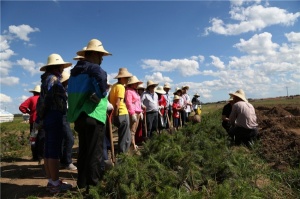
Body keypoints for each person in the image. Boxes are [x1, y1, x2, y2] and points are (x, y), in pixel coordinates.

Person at [67, 39, 111, 192]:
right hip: (94, 115)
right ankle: (93, 188)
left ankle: (82, 183)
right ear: (93, 54)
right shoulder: (95, 70)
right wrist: (101, 94)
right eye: (100, 55)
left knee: (84, 151)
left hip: (79, 116)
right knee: (95, 153)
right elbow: (102, 92)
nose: (102, 58)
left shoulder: (74, 73)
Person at [36, 53, 72, 193]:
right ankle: (56, 184)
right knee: (54, 151)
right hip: (54, 115)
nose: (63, 68)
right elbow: (47, 100)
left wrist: (41, 116)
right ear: (58, 66)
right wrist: (44, 113)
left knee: (48, 150)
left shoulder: (46, 79)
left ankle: (52, 181)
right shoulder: (54, 80)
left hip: (49, 116)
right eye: (62, 65)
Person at [108, 68, 133, 154]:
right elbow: (118, 103)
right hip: (122, 113)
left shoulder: (114, 86)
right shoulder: (121, 87)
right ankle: (122, 155)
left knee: (124, 135)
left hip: (117, 113)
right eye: (126, 78)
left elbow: (109, 99)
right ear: (121, 78)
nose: (127, 80)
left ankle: (122, 153)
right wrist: (115, 114)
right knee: (124, 136)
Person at [19, 85, 43, 161]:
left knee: (33, 138)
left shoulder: (31, 99)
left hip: (34, 121)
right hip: (43, 121)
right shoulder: (44, 98)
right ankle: (41, 156)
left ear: (34, 92)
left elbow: (21, 107)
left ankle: (35, 156)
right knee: (41, 138)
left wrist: (29, 112)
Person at [60, 71, 77, 171]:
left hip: (65, 114)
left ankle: (63, 161)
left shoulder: (65, 89)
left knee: (63, 139)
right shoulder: (60, 90)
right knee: (69, 139)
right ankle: (67, 161)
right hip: (62, 115)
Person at [125, 76, 143, 152]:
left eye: (137, 83)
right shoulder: (128, 91)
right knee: (132, 130)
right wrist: (132, 113)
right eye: (135, 83)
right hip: (134, 112)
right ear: (131, 84)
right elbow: (129, 103)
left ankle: (133, 144)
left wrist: (141, 111)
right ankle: (132, 147)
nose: (136, 84)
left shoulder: (135, 91)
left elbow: (138, 103)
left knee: (134, 130)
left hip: (137, 112)